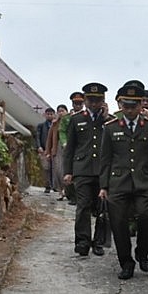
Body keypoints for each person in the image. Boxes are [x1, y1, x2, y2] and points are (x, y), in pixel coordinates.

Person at [99, 80, 148, 280]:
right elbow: (105, 158)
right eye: (126, 105)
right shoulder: (110, 128)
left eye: (134, 105)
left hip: (144, 182)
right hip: (118, 183)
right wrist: (103, 186)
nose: (130, 110)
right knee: (118, 223)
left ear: (141, 105)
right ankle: (126, 262)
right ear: (120, 104)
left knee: (145, 217)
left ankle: (142, 254)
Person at [63, 82, 110, 257]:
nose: (94, 104)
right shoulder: (76, 119)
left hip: (103, 171)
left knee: (101, 208)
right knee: (83, 206)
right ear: (85, 100)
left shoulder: (109, 120)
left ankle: (98, 242)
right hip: (82, 168)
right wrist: (68, 171)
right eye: (90, 100)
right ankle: (82, 242)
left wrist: (104, 119)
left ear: (103, 101)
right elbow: (70, 149)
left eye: (98, 100)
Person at [45, 104, 69, 199]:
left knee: (66, 171)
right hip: (57, 148)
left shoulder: (70, 121)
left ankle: (66, 190)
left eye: (63, 111)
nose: (61, 113)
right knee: (58, 171)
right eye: (59, 111)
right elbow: (49, 138)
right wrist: (48, 152)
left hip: (67, 149)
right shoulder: (54, 124)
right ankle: (60, 191)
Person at [36, 107, 55, 193]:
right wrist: (39, 146)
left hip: (54, 150)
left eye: (51, 114)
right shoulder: (41, 126)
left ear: (54, 115)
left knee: (55, 168)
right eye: (48, 114)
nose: (49, 116)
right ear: (45, 115)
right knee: (46, 168)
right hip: (44, 150)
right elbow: (37, 137)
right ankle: (47, 186)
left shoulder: (56, 125)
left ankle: (54, 185)